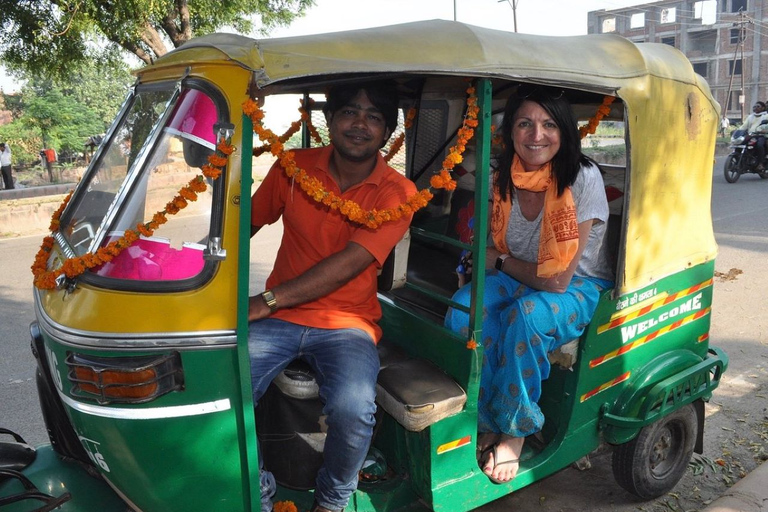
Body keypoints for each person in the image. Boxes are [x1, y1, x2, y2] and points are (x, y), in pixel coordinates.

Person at [248, 81, 417, 512]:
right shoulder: (293, 168)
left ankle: (332, 501)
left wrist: (267, 301)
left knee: (353, 408)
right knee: (226, 390)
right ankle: (260, 494)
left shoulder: (397, 193)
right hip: (281, 321)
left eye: (373, 116)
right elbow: (240, 225)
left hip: (348, 324)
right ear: (330, 120)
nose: (359, 124)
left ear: (386, 130)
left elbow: (350, 262)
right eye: (349, 112)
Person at [444, 86, 614, 484]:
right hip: (517, 274)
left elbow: (557, 281)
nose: (536, 135)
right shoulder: (501, 174)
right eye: (525, 123)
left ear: (565, 131)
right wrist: (487, 263)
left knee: (528, 316)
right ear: (511, 131)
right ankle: (486, 415)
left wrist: (499, 261)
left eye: (549, 124)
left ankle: (516, 430)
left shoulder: (582, 178)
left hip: (579, 285)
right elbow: (485, 243)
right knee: (464, 306)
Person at [737, 101, 768, 170]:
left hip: (761, 135)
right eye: (754, 107)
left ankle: (760, 163)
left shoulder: (766, 116)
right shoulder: (750, 117)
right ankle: (740, 159)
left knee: (759, 145)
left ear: (763, 108)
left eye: (758, 107)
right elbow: (744, 126)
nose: (756, 108)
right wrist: (737, 131)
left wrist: (763, 131)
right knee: (739, 143)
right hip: (751, 135)